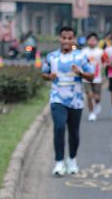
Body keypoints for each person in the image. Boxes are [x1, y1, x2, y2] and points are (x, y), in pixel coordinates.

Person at [41, 26, 95, 176]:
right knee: (59, 127)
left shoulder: (80, 57)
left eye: (70, 38)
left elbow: (91, 76)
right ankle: (59, 162)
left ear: (74, 39)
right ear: (59, 38)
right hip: (57, 98)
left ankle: (72, 159)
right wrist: (49, 77)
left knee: (74, 132)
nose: (66, 41)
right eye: (63, 38)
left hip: (76, 100)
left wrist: (80, 73)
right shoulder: (52, 57)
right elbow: (44, 73)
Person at [81, 33, 105, 121]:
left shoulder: (101, 52)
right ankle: (92, 113)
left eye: (94, 40)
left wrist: (104, 75)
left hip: (97, 77)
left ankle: (97, 104)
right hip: (86, 77)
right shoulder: (83, 52)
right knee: (89, 95)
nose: (92, 42)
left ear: (97, 41)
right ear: (87, 41)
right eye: (90, 40)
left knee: (97, 97)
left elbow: (104, 63)